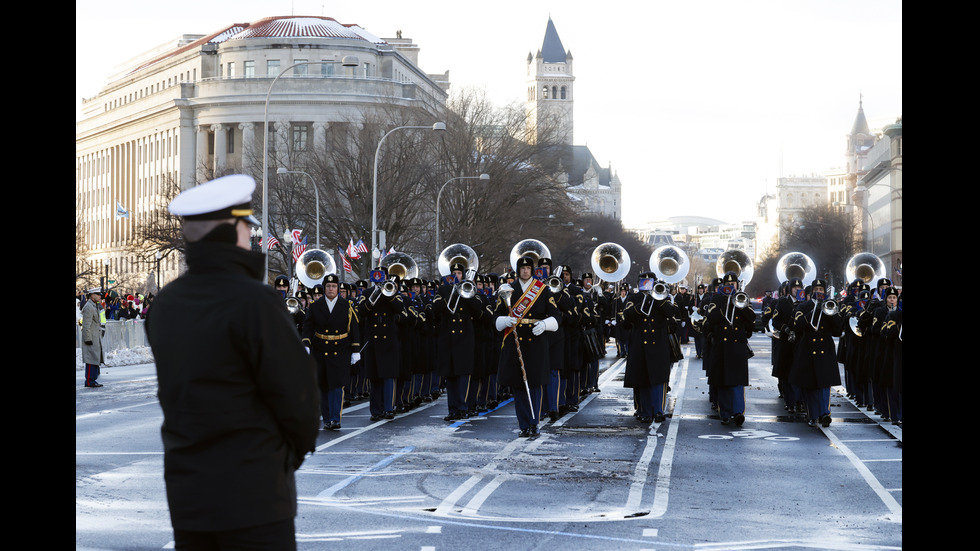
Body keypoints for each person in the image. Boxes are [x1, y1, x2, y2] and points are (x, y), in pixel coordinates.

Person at [145, 174, 320, 550]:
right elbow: (298, 398)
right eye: (246, 226)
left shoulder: (166, 305)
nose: (250, 236)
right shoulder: (256, 303)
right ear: (229, 231)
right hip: (255, 495)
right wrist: (283, 457)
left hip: (189, 493)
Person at [494, 256, 562, 437]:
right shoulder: (508, 290)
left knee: (535, 384)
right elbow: (496, 317)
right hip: (515, 342)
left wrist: (545, 324)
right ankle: (524, 424)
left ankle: (534, 423)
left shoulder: (543, 290)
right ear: (518, 270)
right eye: (522, 268)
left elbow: (556, 315)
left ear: (532, 270)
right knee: (519, 385)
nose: (525, 271)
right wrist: (504, 320)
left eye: (528, 268)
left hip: (536, 341)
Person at [302, 274, 361, 430]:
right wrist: (306, 345)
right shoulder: (315, 305)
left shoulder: (346, 306)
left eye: (334, 286)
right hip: (321, 348)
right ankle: (327, 418)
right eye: (328, 286)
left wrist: (356, 350)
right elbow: (308, 327)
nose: (331, 289)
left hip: (340, 348)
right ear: (324, 288)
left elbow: (354, 328)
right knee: (323, 384)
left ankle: (336, 418)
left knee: (337, 385)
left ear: (338, 288)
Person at [622, 274, 678, 423]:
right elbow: (626, 316)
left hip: (658, 342)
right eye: (644, 282)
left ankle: (658, 410)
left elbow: (671, 314)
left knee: (659, 378)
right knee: (643, 378)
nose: (647, 285)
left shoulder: (662, 297)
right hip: (640, 342)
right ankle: (645, 411)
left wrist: (657, 298)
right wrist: (643, 302)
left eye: (650, 282)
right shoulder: (634, 298)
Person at [789, 279, 843, 427]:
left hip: (825, 349)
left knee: (825, 385)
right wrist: (813, 311)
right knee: (810, 386)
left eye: (821, 289)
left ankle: (825, 413)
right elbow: (797, 326)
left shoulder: (830, 307)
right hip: (807, 349)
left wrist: (832, 313)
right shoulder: (803, 306)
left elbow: (838, 330)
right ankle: (813, 415)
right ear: (812, 291)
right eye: (816, 289)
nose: (819, 292)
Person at [704, 272, 756, 426]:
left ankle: (738, 412)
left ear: (737, 285)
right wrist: (726, 305)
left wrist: (740, 305)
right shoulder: (717, 299)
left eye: (733, 284)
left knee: (737, 382)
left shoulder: (743, 298)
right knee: (723, 382)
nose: (730, 286)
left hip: (737, 346)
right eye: (728, 284)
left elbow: (751, 319)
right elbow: (711, 318)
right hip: (721, 346)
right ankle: (725, 413)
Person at [81, 287, 105, 388]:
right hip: (91, 337)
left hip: (95, 336)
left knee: (95, 358)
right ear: (92, 295)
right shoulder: (89, 307)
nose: (100, 296)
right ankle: (90, 381)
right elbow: (86, 325)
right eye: (98, 294)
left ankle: (93, 379)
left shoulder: (94, 305)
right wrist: (87, 338)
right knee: (91, 360)